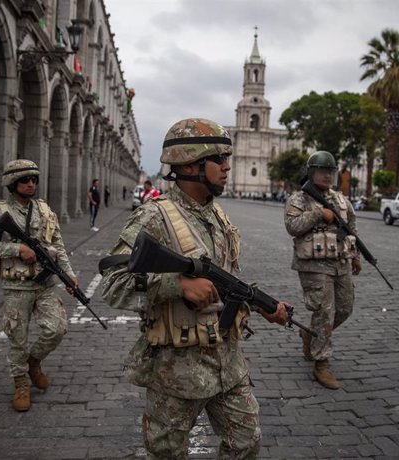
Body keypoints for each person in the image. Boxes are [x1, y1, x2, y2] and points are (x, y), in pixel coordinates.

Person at [101, 118, 289, 458]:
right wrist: (177, 285)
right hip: (176, 370)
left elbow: (227, 280)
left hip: (228, 365)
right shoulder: (153, 218)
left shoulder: (219, 217)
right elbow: (112, 284)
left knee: (246, 443)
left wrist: (263, 305)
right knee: (167, 452)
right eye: (219, 159)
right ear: (190, 163)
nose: (228, 167)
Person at [0, 159, 78, 412]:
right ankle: (21, 382)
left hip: (44, 284)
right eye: (24, 180)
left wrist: (69, 275)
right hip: (16, 286)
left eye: (33, 179)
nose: (31, 184)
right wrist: (17, 249)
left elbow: (59, 243)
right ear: (12, 184)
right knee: (17, 338)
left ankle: (34, 362)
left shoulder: (45, 210)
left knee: (56, 328)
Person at [284, 150, 361, 390]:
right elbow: (292, 226)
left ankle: (312, 334)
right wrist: (319, 213)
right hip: (314, 265)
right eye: (322, 171)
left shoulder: (341, 200)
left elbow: (352, 227)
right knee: (324, 312)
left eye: (330, 172)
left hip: (340, 263)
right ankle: (321, 363)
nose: (327, 176)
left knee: (345, 308)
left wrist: (356, 255)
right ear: (311, 172)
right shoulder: (299, 199)